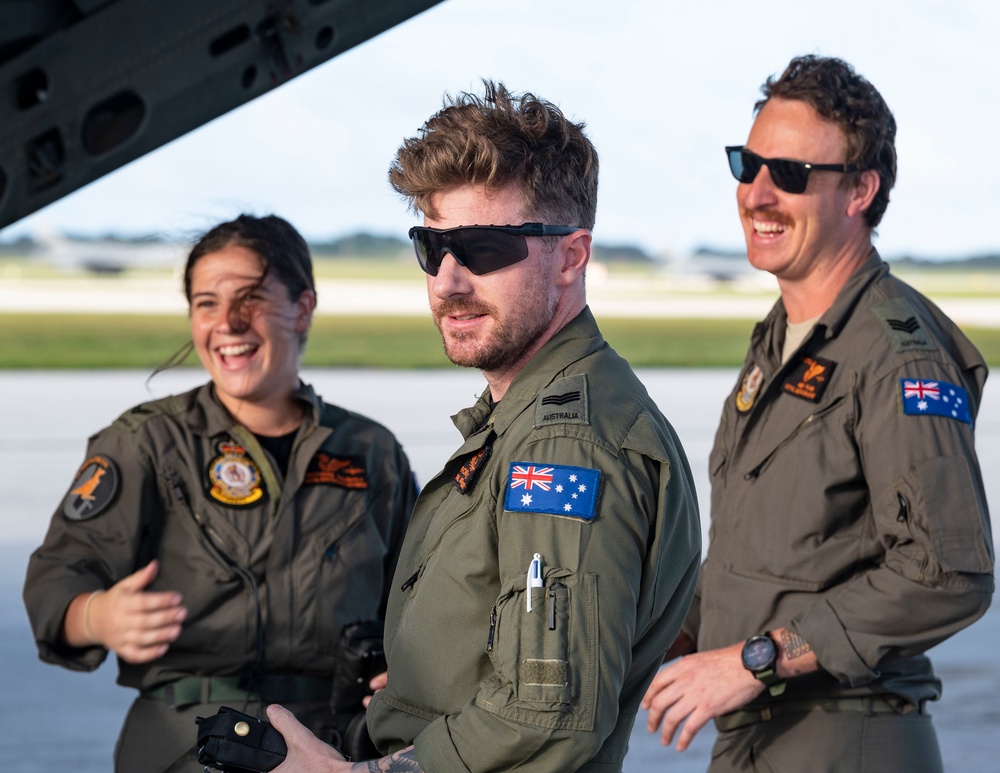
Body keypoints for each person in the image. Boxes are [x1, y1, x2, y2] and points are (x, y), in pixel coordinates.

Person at [265, 81, 702, 772]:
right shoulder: (523, 414)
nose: (446, 280)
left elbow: (547, 716)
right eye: (431, 246)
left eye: (484, 248)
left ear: (571, 256)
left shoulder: (564, 446)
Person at [641, 55, 995, 772]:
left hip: (845, 737)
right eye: (748, 164)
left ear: (860, 189)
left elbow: (948, 571)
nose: (757, 194)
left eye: (792, 174)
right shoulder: (780, 342)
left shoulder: (897, 355)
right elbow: (758, 559)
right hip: (758, 735)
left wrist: (754, 658)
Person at [23, 214, 417, 772]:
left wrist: (402, 671)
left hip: (333, 746)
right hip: (188, 744)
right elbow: (55, 579)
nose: (227, 323)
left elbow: (419, 603)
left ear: (303, 307)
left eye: (251, 299)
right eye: (206, 303)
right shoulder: (148, 443)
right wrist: (95, 616)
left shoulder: (371, 453)